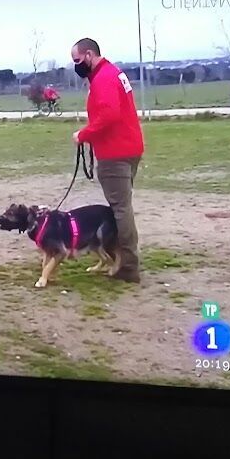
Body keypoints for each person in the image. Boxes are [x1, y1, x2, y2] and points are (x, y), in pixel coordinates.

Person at [71, 38, 144, 283]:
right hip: (128, 147)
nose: (76, 66)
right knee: (122, 207)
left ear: (89, 54)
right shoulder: (113, 73)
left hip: (116, 152)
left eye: (78, 60)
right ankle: (124, 261)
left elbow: (109, 116)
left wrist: (84, 134)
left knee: (120, 210)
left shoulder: (103, 79)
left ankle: (128, 266)